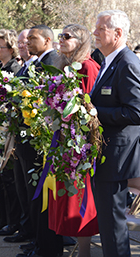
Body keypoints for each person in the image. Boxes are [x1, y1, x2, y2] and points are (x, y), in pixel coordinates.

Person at [91, 10, 140, 257]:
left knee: (113, 224)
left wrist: (94, 112)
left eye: (100, 29)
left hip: (118, 155)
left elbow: (135, 113)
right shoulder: (110, 61)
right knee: (107, 222)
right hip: (107, 153)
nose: (95, 33)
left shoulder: (127, 62)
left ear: (118, 33)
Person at [47, 24, 100, 257]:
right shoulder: (64, 66)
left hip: (80, 143)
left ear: (80, 41)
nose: (61, 40)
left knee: (80, 199)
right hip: (64, 139)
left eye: (66, 37)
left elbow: (89, 108)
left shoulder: (87, 67)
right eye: (60, 35)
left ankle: (85, 252)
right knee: (65, 198)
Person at [17, 24, 63, 257]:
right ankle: (37, 242)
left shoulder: (53, 61)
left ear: (47, 40)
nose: (27, 43)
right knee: (31, 195)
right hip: (29, 139)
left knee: (40, 197)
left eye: (32, 38)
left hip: (40, 141)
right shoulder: (36, 63)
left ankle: (46, 247)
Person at [1, 29, 38, 247]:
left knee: (27, 188)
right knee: (21, 187)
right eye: (22, 42)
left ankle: (30, 231)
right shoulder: (23, 67)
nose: (24, 46)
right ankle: (25, 228)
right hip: (18, 133)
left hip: (30, 136)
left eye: (27, 42)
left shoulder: (34, 67)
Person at [0, 28, 23, 239]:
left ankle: (13, 221)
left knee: (8, 177)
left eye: (0, 46)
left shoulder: (14, 68)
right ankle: (2, 218)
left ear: (11, 49)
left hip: (8, 131)